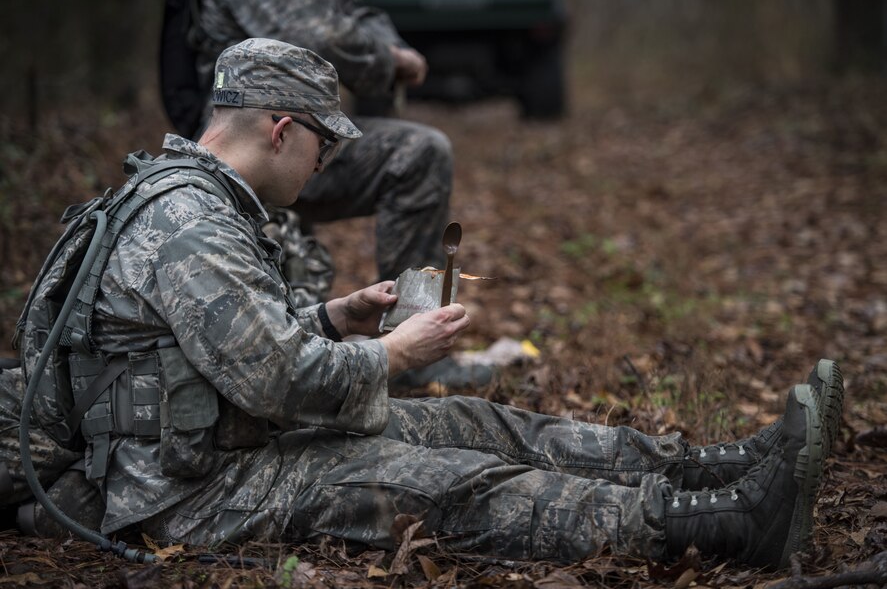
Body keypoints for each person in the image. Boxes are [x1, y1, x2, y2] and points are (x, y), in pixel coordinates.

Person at [20, 39, 844, 569]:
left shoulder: (190, 200)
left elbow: (222, 349)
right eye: (323, 143)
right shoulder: (189, 221)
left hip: (223, 446)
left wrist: (334, 317)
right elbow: (274, 382)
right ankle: (721, 523)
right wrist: (392, 354)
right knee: (453, 483)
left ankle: (716, 467)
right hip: (184, 490)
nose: (326, 162)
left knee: (483, 425)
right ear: (280, 129)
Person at [188, 0, 451, 285]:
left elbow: (356, 12)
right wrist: (394, 60)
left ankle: (415, 323)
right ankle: (414, 319)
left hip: (290, 127)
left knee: (299, 289)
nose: (320, 165)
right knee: (420, 153)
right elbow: (319, 35)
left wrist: (391, 47)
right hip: (246, 136)